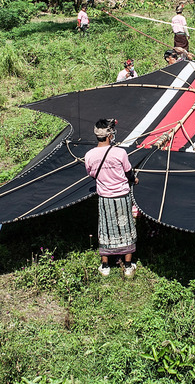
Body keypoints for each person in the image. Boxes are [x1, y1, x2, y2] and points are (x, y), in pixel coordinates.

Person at [85, 119, 138, 277]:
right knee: (126, 227)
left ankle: (105, 266)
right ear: (109, 136)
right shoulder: (120, 153)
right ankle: (128, 266)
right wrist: (133, 179)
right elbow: (128, 172)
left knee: (106, 229)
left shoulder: (89, 155)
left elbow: (91, 173)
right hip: (122, 196)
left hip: (105, 198)